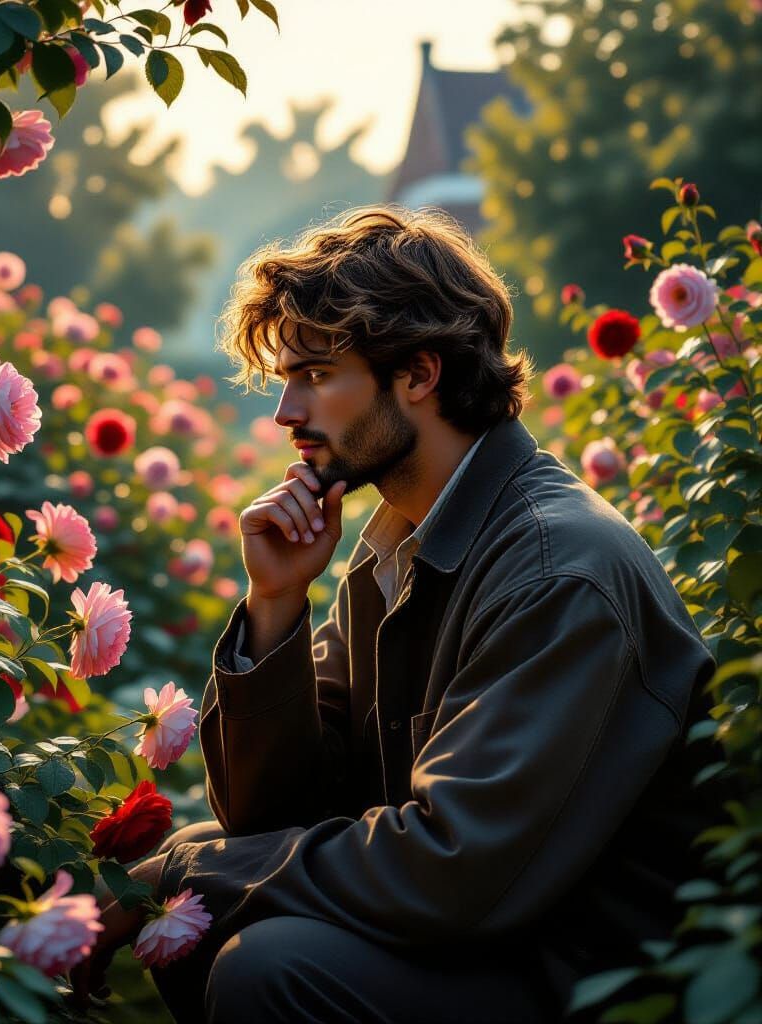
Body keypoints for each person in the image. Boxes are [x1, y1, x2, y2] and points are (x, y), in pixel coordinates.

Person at [72, 206, 718, 1022]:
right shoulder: (398, 549)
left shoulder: (556, 570)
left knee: (267, 964)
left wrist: (186, 871)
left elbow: (453, 870)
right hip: (487, 950)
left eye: (316, 374)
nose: (286, 412)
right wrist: (274, 603)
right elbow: (267, 815)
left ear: (417, 374)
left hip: (592, 983)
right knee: (202, 906)